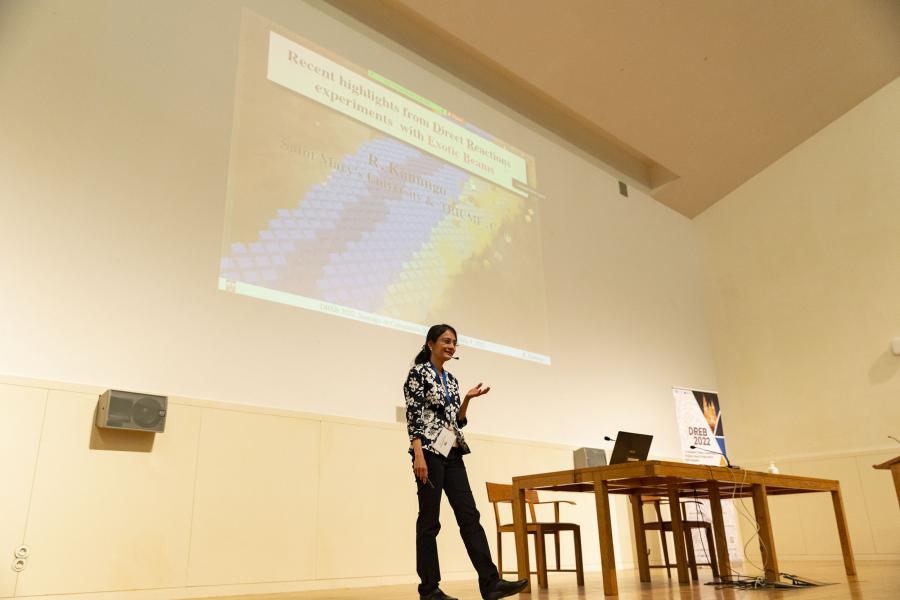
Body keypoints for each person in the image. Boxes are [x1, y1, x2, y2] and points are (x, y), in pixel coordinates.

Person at [404, 324, 529, 600]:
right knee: (429, 521)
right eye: (446, 341)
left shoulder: (452, 379)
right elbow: (413, 417)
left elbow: (456, 421)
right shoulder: (418, 374)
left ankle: (490, 582)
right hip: (428, 453)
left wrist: (467, 401)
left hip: (453, 452)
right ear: (430, 344)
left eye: (454, 343)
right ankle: (429, 589)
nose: (451, 346)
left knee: (470, 517)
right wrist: (419, 455)